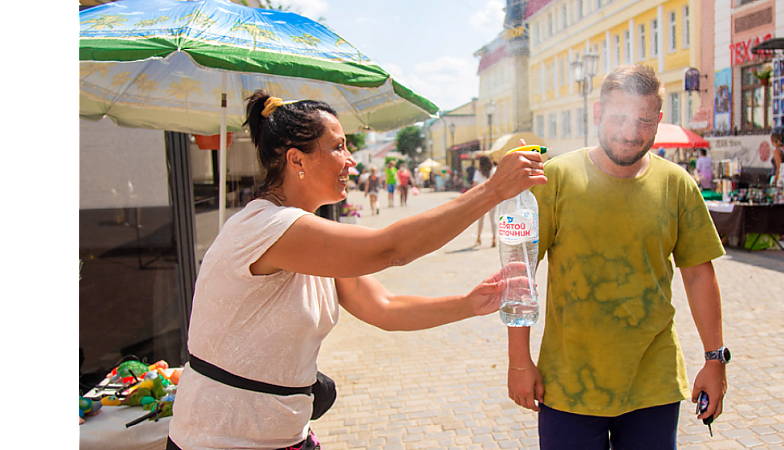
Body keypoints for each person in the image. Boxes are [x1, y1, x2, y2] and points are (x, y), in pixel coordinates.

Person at [165, 91, 546, 450]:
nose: (352, 160)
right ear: (296, 160)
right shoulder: (266, 226)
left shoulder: (307, 236)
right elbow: (390, 249)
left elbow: (384, 306)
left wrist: (468, 303)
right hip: (219, 438)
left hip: (282, 433)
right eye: (338, 147)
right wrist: (493, 191)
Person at [507, 65, 728, 450]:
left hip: (653, 383)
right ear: (596, 114)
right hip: (569, 382)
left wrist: (715, 359)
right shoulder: (555, 179)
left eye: (643, 121)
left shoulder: (677, 184)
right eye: (619, 118)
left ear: (658, 121)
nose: (630, 133)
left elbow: (698, 275)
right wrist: (519, 361)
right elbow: (518, 272)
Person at [472, 156, 498, 247]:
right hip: (493, 197)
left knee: (481, 219)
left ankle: (479, 237)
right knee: (493, 218)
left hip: (481, 197)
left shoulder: (478, 172)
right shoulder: (494, 170)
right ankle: (494, 238)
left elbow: (474, 185)